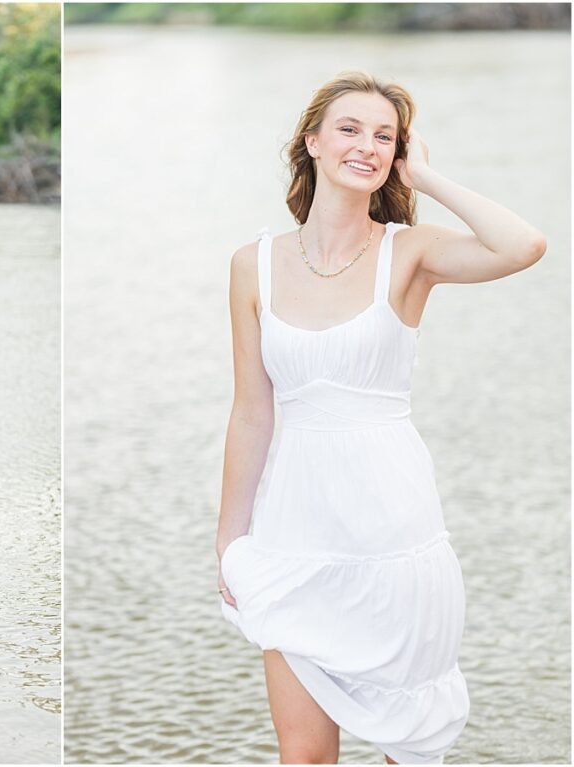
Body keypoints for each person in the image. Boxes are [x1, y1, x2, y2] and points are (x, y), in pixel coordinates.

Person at [216, 71, 545, 764]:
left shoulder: (410, 253)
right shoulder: (255, 264)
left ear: (398, 154)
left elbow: (523, 245)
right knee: (302, 754)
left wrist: (426, 177)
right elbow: (251, 412)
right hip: (293, 534)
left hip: (394, 533)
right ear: (311, 142)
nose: (366, 145)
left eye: (384, 136)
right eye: (349, 128)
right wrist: (230, 544)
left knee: (407, 747)